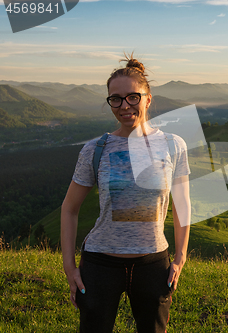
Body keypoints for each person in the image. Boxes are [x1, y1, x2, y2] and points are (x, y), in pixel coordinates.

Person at [61, 54, 191, 333]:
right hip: (99, 265)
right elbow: (69, 209)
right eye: (115, 99)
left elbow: (182, 204)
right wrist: (69, 268)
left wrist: (180, 257)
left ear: (148, 99)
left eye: (133, 97)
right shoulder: (95, 150)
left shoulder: (173, 145)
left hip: (153, 264)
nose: (124, 106)